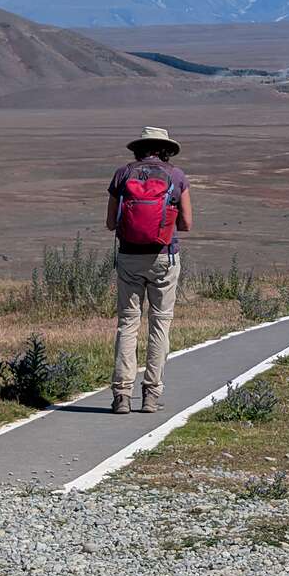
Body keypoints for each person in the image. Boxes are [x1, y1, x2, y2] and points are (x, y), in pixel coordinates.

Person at [105, 126, 192, 415]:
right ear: (165, 149)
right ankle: (151, 395)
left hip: (129, 256)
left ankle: (121, 396)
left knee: (128, 323)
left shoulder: (122, 174)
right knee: (160, 323)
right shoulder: (177, 176)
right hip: (164, 257)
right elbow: (187, 224)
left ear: (138, 148)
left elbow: (110, 223)